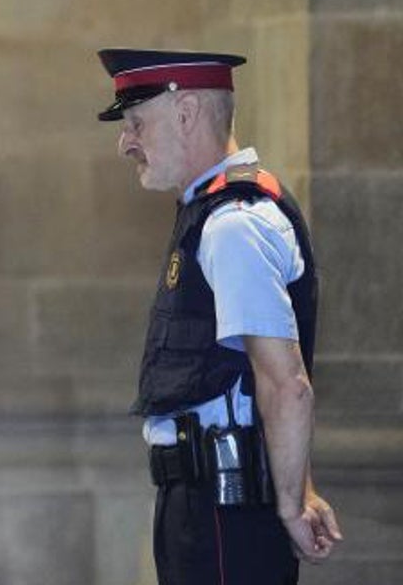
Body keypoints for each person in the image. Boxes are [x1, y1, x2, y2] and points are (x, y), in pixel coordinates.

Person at [97, 48, 343, 584]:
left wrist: (291, 502)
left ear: (184, 113)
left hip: (225, 509)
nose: (125, 143)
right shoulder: (210, 212)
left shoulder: (234, 224)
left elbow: (285, 383)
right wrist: (295, 487)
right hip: (204, 500)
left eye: (136, 123)